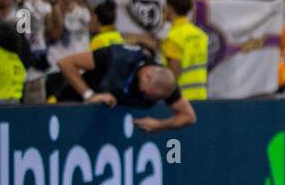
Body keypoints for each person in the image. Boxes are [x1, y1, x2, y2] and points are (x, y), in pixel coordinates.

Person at [56, 43, 198, 131]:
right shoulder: (114, 57)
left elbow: (188, 116)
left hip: (105, 126)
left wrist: (159, 125)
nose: (146, 98)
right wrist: (90, 95)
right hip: (72, 107)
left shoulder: (165, 83)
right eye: (147, 94)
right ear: (147, 76)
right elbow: (65, 63)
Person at [163, 0, 209, 101]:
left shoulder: (173, 37)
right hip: (201, 94)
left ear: (170, 9)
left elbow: (174, 72)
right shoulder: (200, 34)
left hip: (181, 98)